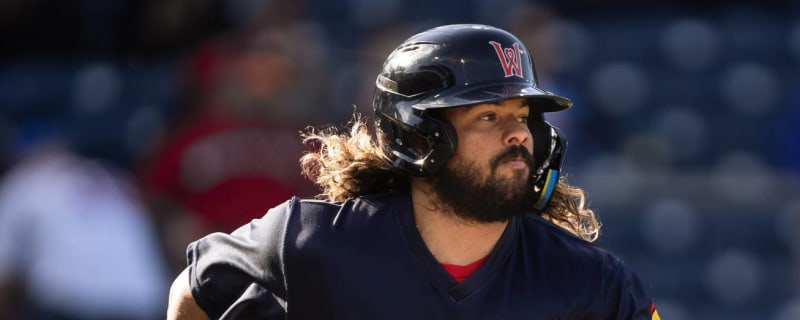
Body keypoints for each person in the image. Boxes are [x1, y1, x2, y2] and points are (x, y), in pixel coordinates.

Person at [167, 24, 661, 320]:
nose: (519, 135)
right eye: (488, 116)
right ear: (418, 136)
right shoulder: (308, 242)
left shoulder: (591, 281)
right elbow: (191, 292)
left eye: (524, 116)